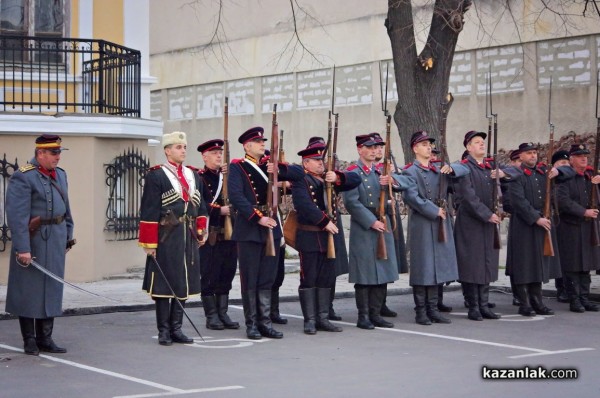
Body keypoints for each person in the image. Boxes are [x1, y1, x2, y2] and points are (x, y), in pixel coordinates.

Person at [228, 126, 304, 340]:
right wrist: (257, 217)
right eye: (258, 142)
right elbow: (236, 196)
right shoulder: (238, 167)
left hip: (272, 226)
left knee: (267, 279)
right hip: (251, 228)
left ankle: (266, 322)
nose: (263, 144)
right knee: (250, 279)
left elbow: (299, 174)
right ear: (247, 146)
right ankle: (252, 324)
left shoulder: (269, 165)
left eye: (263, 141)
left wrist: (278, 168)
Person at [5, 134, 75, 356]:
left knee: (51, 288)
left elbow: (66, 209)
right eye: (54, 153)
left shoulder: (61, 175)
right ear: (40, 153)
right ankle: (30, 340)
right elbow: (17, 217)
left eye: (59, 153)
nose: (57, 158)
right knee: (29, 290)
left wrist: (67, 235)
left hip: (54, 238)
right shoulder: (23, 177)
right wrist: (22, 248)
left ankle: (46, 338)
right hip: (32, 240)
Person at [139, 131, 208, 346]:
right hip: (166, 236)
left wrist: (201, 230)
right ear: (167, 151)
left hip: (187, 236)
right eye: (178, 147)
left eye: (184, 147)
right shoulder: (157, 175)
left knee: (183, 281)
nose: (183, 150)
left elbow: (201, 207)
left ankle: (177, 328)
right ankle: (164, 331)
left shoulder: (193, 175)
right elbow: (149, 211)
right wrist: (150, 244)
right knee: (164, 283)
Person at [291, 139, 361, 334]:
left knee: (326, 278)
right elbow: (305, 206)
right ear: (306, 163)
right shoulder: (301, 181)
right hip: (310, 236)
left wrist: (337, 177)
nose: (321, 163)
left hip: (328, 238)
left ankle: (322, 318)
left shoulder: (327, 181)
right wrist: (324, 222)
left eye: (321, 160)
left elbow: (356, 179)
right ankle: (310, 320)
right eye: (316, 160)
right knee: (309, 278)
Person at [402, 131, 469, 326]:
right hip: (423, 223)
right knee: (423, 268)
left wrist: (452, 168)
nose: (428, 147)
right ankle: (421, 311)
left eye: (430, 144)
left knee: (436, 267)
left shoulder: (439, 169)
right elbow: (412, 197)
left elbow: (465, 170)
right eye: (424, 144)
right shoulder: (410, 171)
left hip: (440, 222)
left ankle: (433, 308)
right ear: (415, 148)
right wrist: (433, 210)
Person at [343, 134, 408, 330]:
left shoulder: (380, 172)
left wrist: (391, 182)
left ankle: (376, 313)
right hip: (365, 226)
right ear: (359, 150)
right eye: (369, 147)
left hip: (383, 222)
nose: (373, 150)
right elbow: (351, 202)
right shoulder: (353, 173)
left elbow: (402, 185)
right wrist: (371, 222)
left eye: (376, 147)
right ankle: (363, 316)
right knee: (365, 274)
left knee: (383, 270)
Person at [506, 142, 564, 317]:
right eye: (529, 153)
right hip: (525, 225)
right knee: (525, 265)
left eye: (534, 153)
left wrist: (559, 171)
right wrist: (536, 218)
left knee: (538, 264)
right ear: (521, 156)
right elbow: (518, 202)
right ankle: (525, 303)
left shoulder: (542, 173)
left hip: (542, 223)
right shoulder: (516, 175)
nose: (533, 156)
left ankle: (537, 301)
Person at [453, 131, 501, 321]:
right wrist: (487, 214)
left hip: (488, 223)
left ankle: (484, 304)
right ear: (468, 147)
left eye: (482, 142)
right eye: (477, 142)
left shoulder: (488, 168)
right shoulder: (464, 168)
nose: (482, 145)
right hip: (471, 223)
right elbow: (468, 197)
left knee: (487, 262)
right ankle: (473, 306)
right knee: (472, 265)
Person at [196, 139, 239, 330]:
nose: (218, 156)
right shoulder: (199, 178)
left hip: (229, 236)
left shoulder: (228, 177)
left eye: (220, 153)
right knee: (209, 275)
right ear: (204, 157)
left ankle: (223, 313)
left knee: (227, 274)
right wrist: (218, 211)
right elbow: (198, 204)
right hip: (210, 236)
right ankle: (211, 315)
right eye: (214, 153)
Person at [556, 144, 600, 313]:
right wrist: (583, 212)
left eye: (586, 156)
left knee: (585, 267)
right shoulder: (565, 178)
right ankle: (574, 299)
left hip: (588, 228)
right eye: (579, 156)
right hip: (571, 228)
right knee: (572, 266)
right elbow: (563, 201)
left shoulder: (590, 177)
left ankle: (584, 298)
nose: (584, 159)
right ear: (571, 159)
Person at [370, 132, 408, 317]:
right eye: (374, 147)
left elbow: (404, 184)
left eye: (379, 147)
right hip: (375, 217)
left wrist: (392, 175)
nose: (377, 150)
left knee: (388, 262)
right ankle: (373, 305)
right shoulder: (368, 169)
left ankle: (382, 303)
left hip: (390, 216)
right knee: (376, 261)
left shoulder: (388, 167)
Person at [550, 149, 573, 304]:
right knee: (561, 258)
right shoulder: (552, 177)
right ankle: (561, 288)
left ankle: (571, 288)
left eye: (567, 162)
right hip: (557, 221)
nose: (565, 165)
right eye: (561, 163)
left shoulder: (569, 175)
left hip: (571, 222)